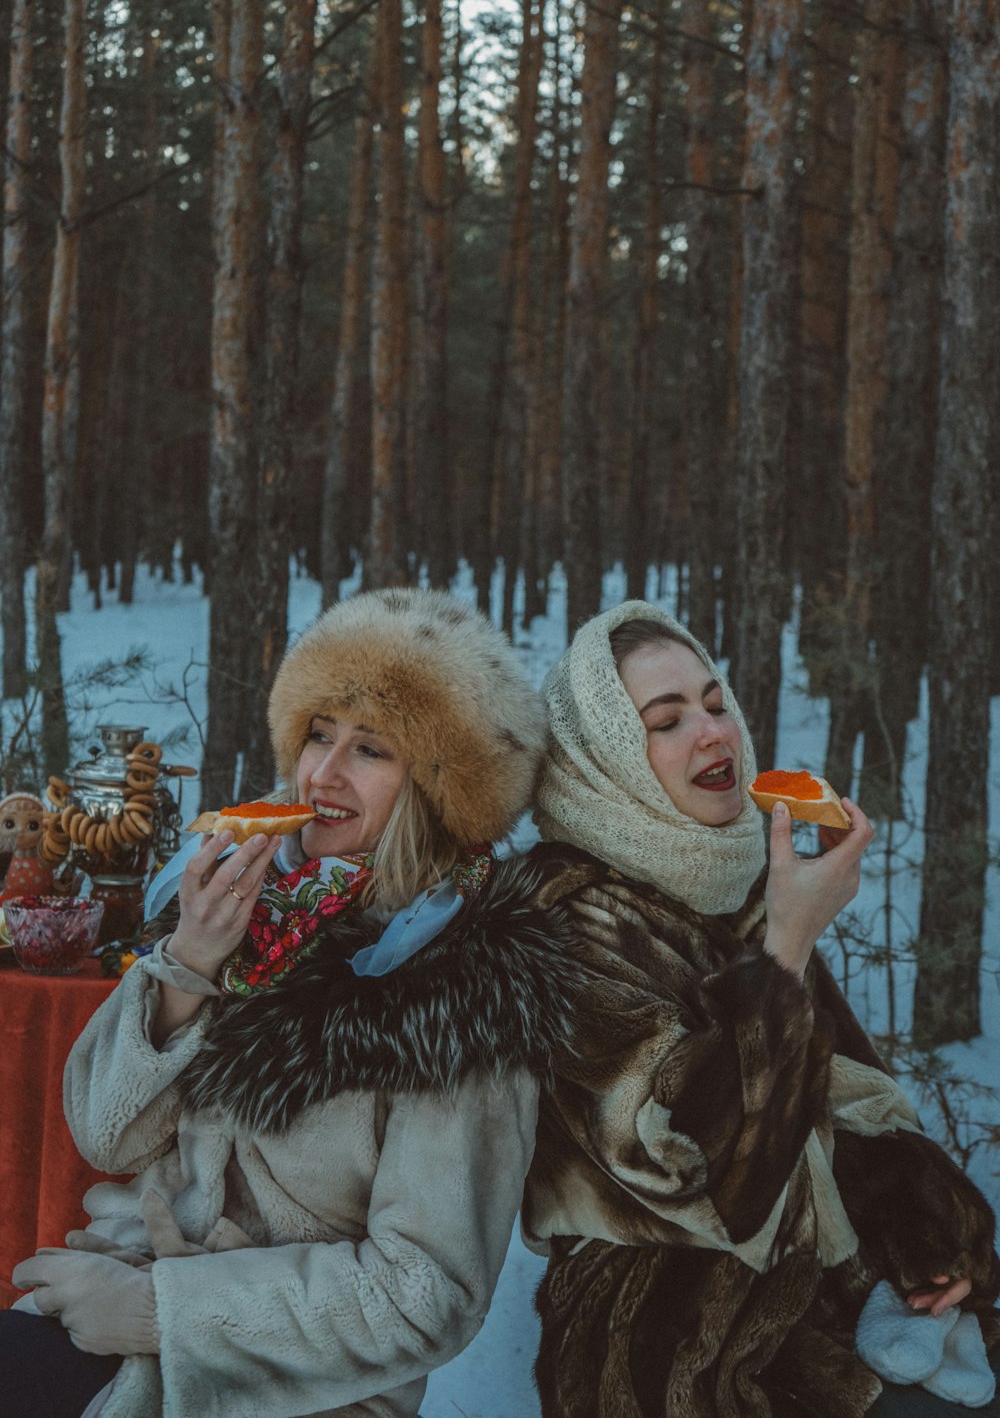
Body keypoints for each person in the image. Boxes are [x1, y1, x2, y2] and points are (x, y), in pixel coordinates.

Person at [6, 588, 580, 1418]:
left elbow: (426, 1292)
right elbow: (106, 1132)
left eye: (370, 749)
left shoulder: (468, 986)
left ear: (436, 785)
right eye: (318, 734)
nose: (323, 773)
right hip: (117, 1301)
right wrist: (188, 962)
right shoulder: (257, 906)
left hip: (283, 1387)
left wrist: (161, 1313)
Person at [521, 600, 1000, 1418]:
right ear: (605, 760)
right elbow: (690, 1175)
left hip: (819, 1258)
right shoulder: (565, 923)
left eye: (715, 703)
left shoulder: (742, 878)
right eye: (667, 721)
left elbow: (842, 1093)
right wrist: (785, 953)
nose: (715, 734)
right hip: (664, 1317)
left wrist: (923, 1220)